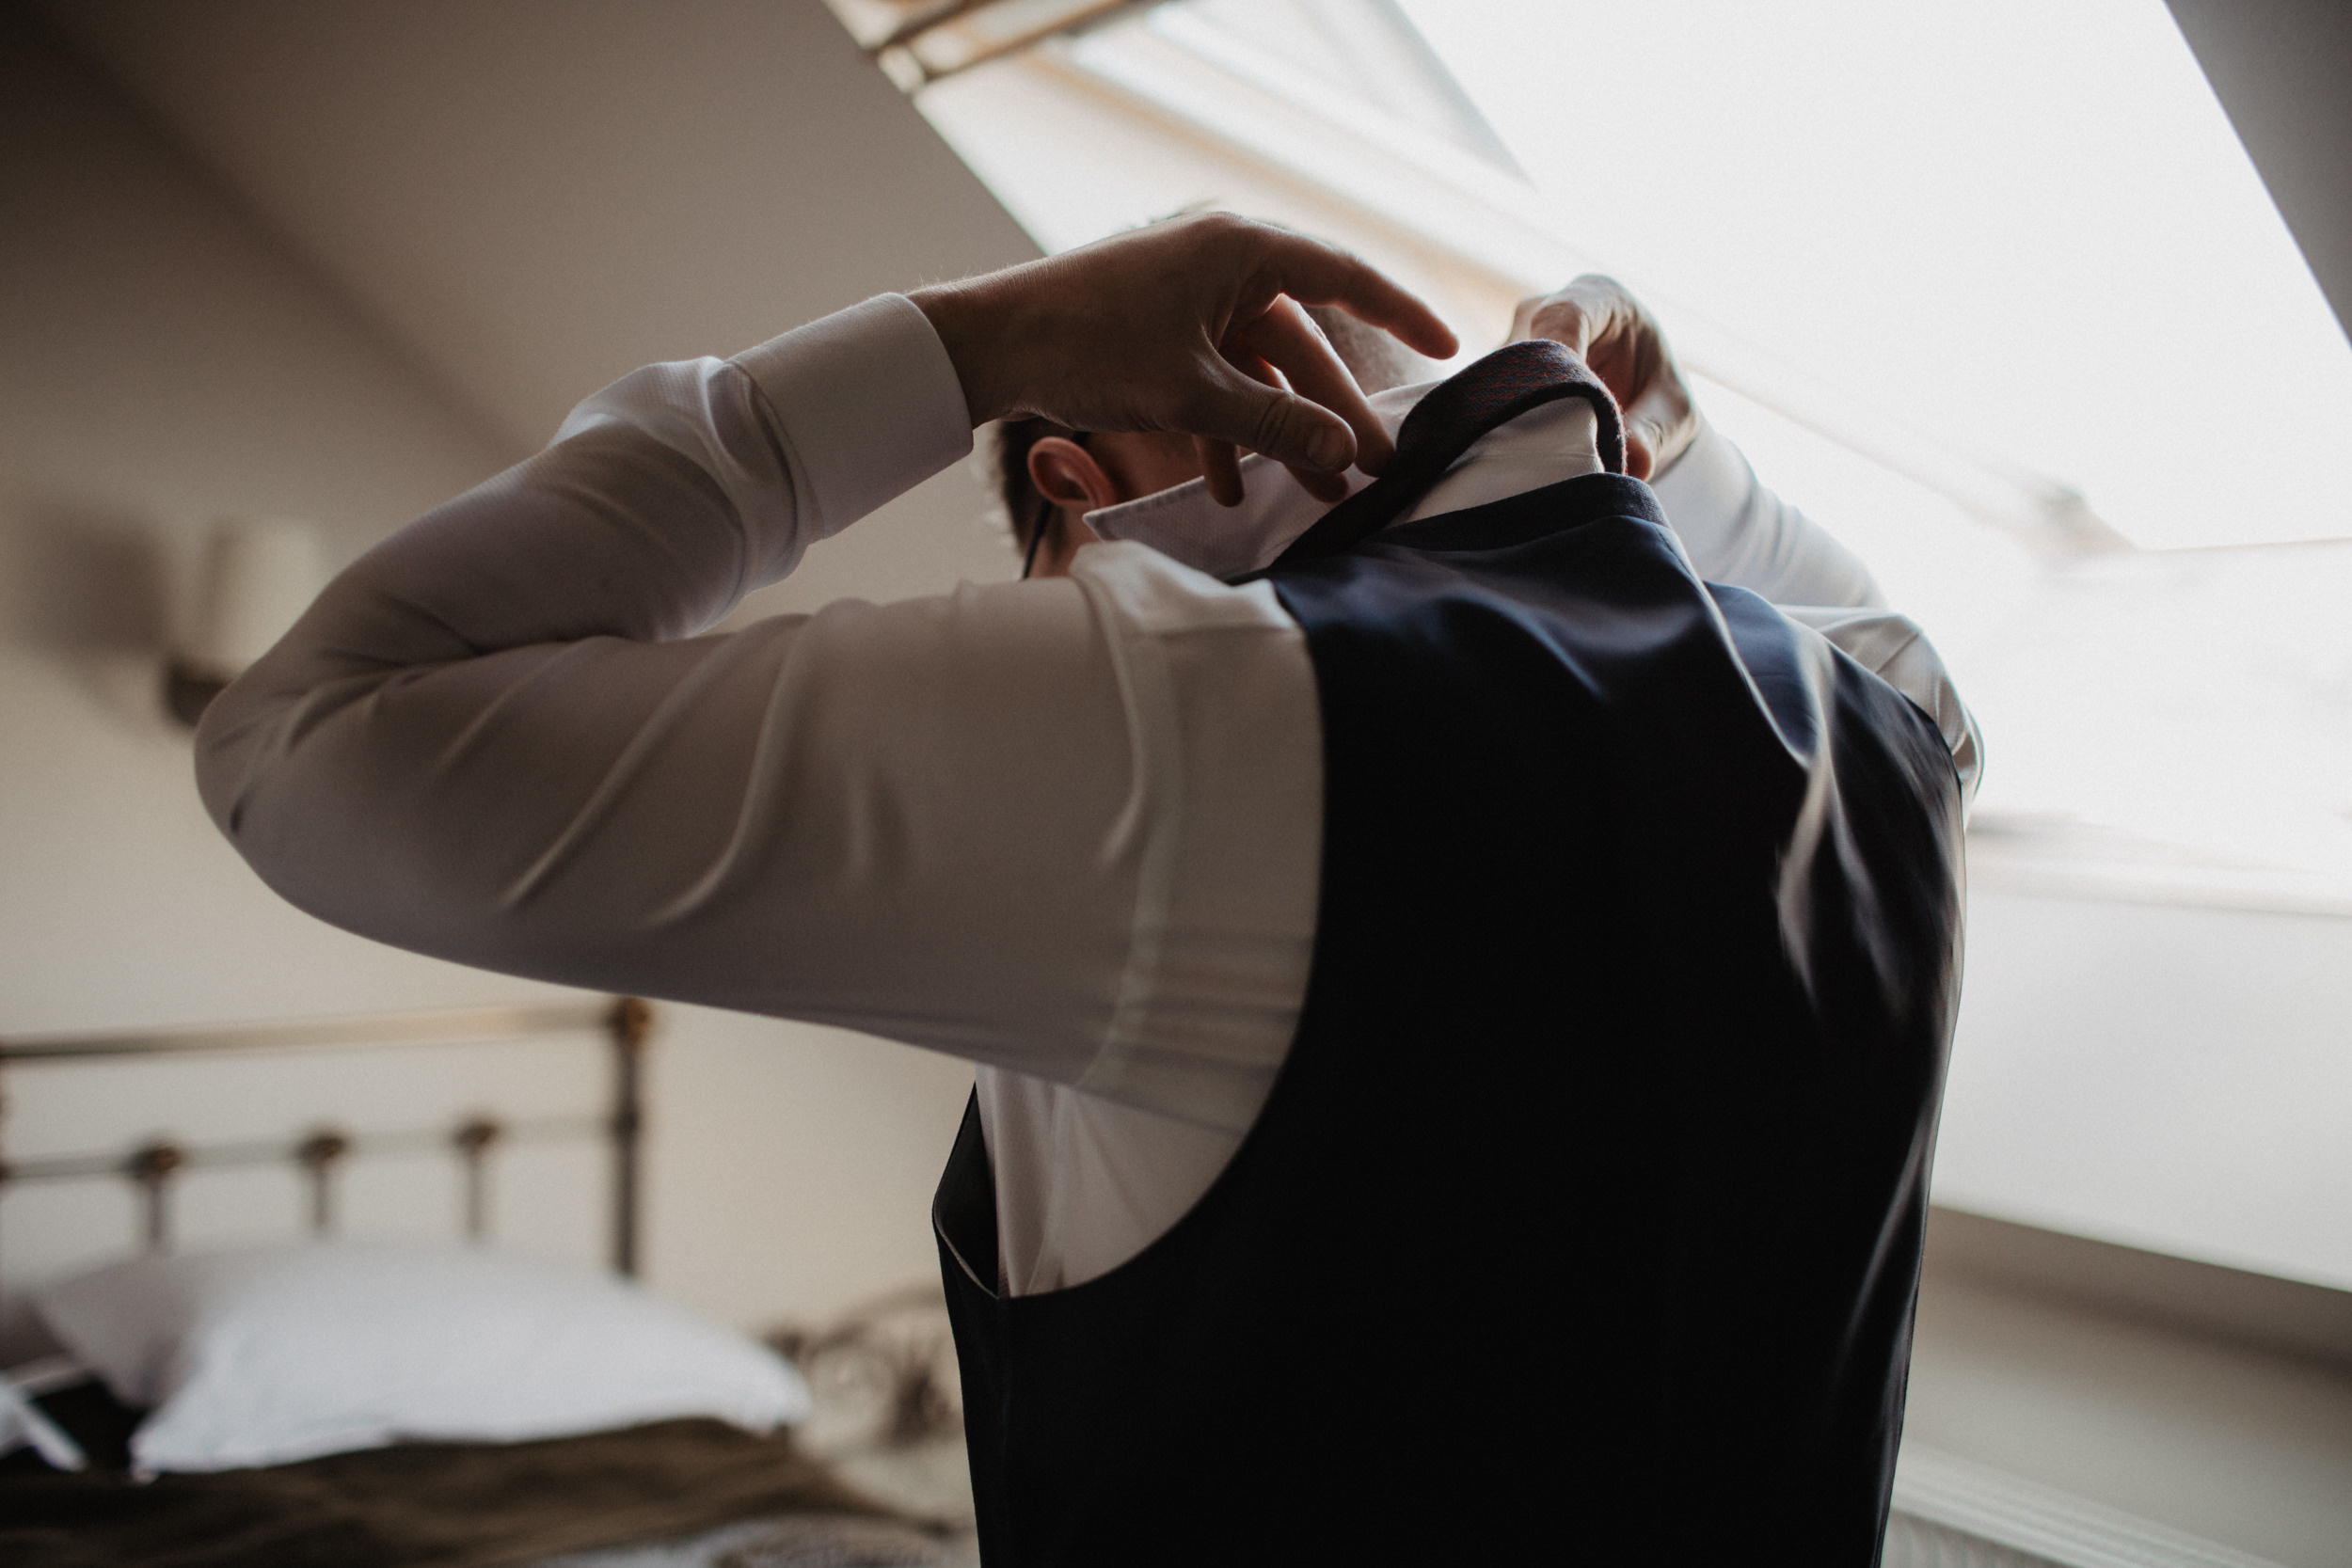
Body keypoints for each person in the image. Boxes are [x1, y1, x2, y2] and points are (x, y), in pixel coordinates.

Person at [197, 214, 1974, 1563]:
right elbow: (1871, 625)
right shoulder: (1882, 726)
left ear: (1079, 476)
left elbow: (308, 735)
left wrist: (984, 336)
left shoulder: (1186, 719)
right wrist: (1655, 444)